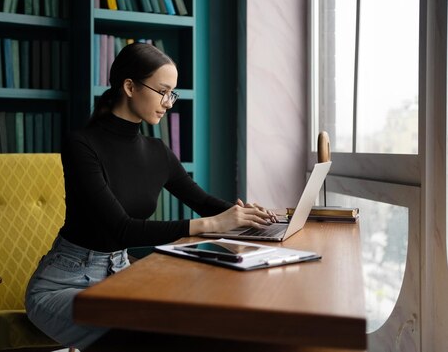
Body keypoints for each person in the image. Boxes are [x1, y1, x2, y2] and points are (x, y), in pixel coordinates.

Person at [24, 42, 276, 350]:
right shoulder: (81, 145)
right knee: (145, 337)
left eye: (173, 93)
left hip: (122, 277)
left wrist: (261, 221)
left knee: (189, 324)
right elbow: (122, 228)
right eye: (162, 91)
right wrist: (210, 225)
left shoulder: (158, 152)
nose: (169, 102)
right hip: (63, 285)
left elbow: (204, 202)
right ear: (129, 86)